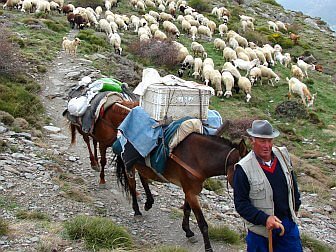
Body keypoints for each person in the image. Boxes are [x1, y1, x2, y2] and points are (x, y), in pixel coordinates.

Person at [233, 120, 302, 252]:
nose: (267, 145)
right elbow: (241, 204)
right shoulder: (243, 168)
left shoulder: (283, 156)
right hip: (260, 232)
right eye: (262, 141)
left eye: (269, 141)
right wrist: (265, 219)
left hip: (286, 226)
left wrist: (296, 206)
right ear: (252, 140)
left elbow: (293, 185)